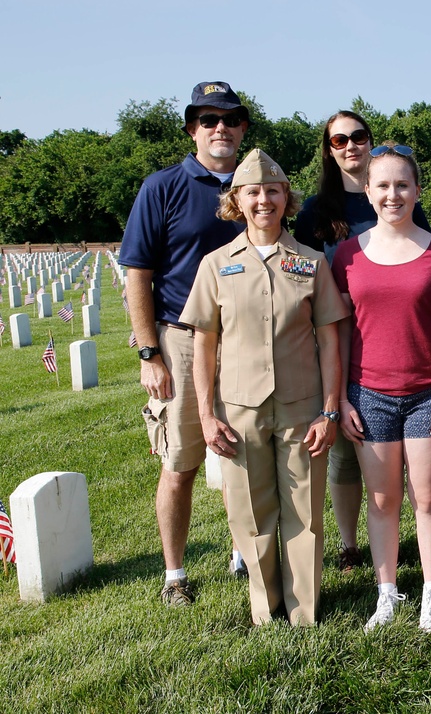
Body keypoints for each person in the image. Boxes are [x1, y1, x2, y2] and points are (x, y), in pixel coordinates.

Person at [180, 149, 347, 626]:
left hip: (302, 406)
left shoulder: (310, 262)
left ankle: (304, 610)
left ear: (286, 198)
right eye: (252, 192)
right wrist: (207, 415)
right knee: (251, 513)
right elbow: (204, 346)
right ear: (237, 200)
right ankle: (266, 607)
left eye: (273, 191)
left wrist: (330, 410)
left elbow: (330, 341)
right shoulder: (216, 265)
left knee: (304, 512)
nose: (263, 200)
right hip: (240, 409)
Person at [119, 81, 250, 606]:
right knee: (181, 462)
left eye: (230, 119)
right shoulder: (163, 186)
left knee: (248, 453)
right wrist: (150, 352)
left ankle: (247, 553)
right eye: (208, 119)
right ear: (193, 129)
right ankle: (175, 574)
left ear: (242, 128)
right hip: (182, 339)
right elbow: (137, 272)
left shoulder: (255, 186)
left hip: (246, 344)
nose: (220, 128)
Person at [333, 142, 431, 633]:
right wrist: (343, 396)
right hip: (369, 394)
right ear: (368, 192)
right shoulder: (347, 255)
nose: (393, 194)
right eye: (383, 185)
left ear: (417, 189)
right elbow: (342, 332)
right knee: (383, 500)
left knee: (428, 498)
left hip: (430, 392)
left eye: (403, 185)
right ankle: (387, 593)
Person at [294, 110, 431, 573]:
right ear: (329, 149)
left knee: (409, 463)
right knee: (346, 456)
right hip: (338, 339)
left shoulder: (400, 197)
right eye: (338, 139)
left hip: (397, 349)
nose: (349, 145)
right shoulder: (316, 210)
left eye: (358, 136)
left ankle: (408, 536)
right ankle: (351, 545)